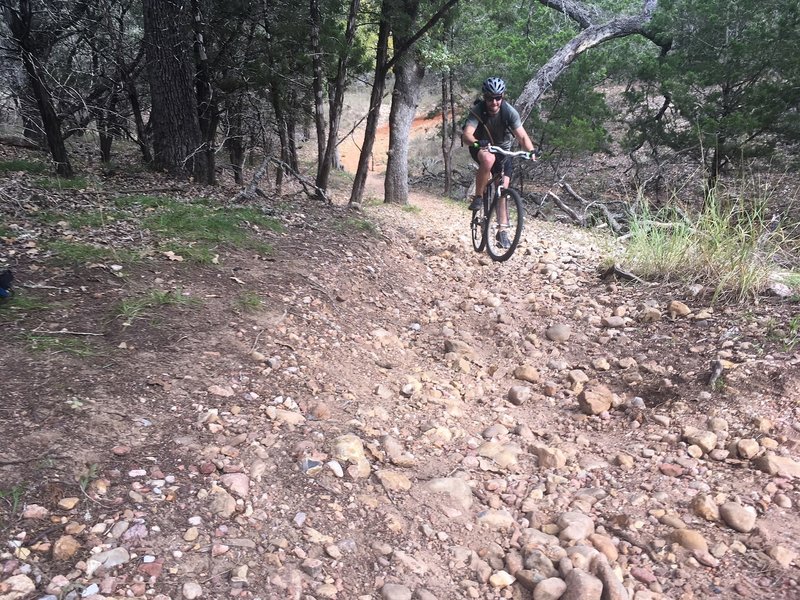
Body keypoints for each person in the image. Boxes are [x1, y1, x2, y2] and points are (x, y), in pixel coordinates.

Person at [462, 76, 535, 248]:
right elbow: (466, 135)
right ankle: (479, 196)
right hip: (480, 146)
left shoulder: (509, 112)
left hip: (503, 150)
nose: (494, 102)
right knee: (488, 158)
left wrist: (530, 151)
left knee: (504, 186)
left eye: (497, 98)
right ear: (484, 97)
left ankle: (502, 231)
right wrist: (477, 142)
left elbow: (522, 136)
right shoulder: (478, 110)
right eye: (489, 98)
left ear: (502, 96)